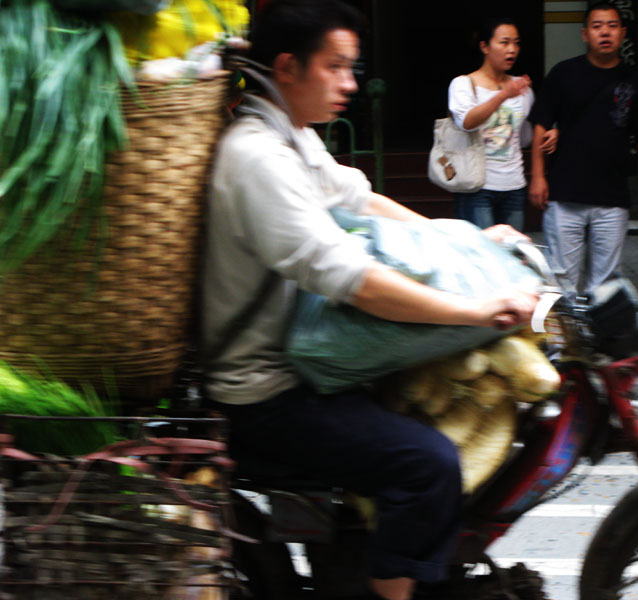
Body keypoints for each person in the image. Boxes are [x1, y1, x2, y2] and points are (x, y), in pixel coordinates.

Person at [200, 2, 539, 599]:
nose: (351, 84)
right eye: (337, 67)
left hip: (304, 363)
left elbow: (359, 199)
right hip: (267, 393)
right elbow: (352, 278)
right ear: (287, 67)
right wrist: (475, 312)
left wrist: (460, 240)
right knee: (428, 464)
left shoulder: (290, 140)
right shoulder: (257, 158)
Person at [529, 2, 638, 297]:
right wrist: (538, 175)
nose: (605, 32)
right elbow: (540, 123)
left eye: (612, 26)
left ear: (623, 33)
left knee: (606, 283)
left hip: (612, 197)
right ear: (585, 34)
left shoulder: (634, 81)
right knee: (562, 280)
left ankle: (600, 340)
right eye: (597, 26)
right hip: (565, 194)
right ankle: (565, 344)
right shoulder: (564, 73)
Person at [447, 17, 557, 232]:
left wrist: (550, 134)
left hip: (514, 185)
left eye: (516, 43)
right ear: (484, 46)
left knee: (512, 255)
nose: (512, 49)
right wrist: (503, 95)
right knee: (483, 256)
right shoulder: (463, 84)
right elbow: (467, 122)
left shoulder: (521, 89)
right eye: (504, 42)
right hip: (477, 186)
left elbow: (524, 137)